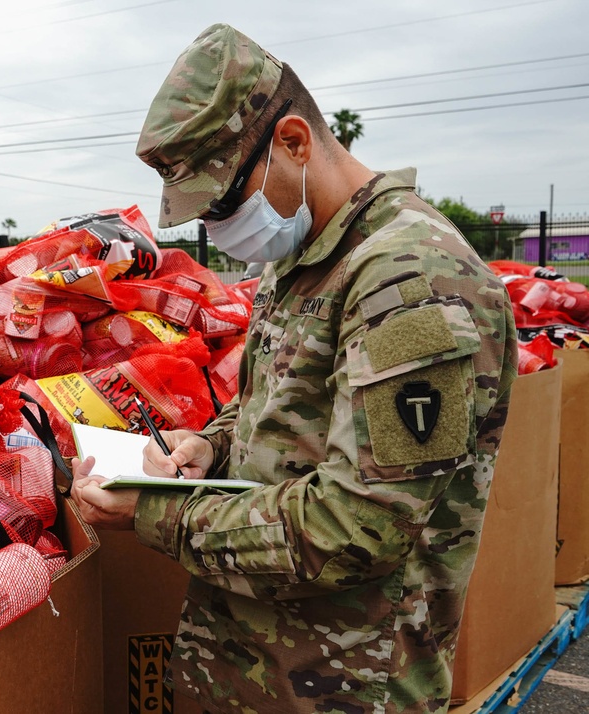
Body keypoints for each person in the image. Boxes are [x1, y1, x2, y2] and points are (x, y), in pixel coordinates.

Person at [70, 23, 518, 714]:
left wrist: (159, 515)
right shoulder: (304, 261)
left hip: (342, 687)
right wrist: (209, 446)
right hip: (244, 670)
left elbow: (357, 528)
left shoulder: (413, 279)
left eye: (223, 203)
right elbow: (274, 413)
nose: (217, 228)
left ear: (293, 141)